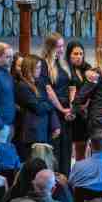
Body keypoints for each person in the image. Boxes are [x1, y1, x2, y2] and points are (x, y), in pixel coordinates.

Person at [40, 33, 75, 176]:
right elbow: (48, 90)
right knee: (55, 151)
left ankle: (65, 182)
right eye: (58, 46)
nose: (62, 49)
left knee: (66, 151)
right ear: (50, 47)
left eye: (62, 46)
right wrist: (62, 109)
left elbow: (71, 86)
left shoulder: (63, 63)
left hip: (67, 111)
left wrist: (71, 106)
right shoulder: (43, 64)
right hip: (54, 112)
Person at [14, 55, 61, 160]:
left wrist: (55, 124)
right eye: (37, 68)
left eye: (40, 67)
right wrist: (49, 102)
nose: (40, 70)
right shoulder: (22, 86)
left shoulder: (39, 83)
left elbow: (44, 104)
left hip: (43, 130)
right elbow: (37, 108)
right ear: (29, 69)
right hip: (31, 133)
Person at [72, 48, 102, 138]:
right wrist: (79, 112)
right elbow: (81, 96)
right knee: (98, 151)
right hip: (99, 121)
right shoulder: (96, 74)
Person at [66, 40, 94, 161]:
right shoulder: (65, 69)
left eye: (81, 54)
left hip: (85, 112)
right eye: (75, 54)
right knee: (69, 148)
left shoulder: (87, 68)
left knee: (82, 148)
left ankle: (82, 173)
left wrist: (86, 104)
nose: (79, 57)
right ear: (69, 55)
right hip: (70, 110)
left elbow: (91, 88)